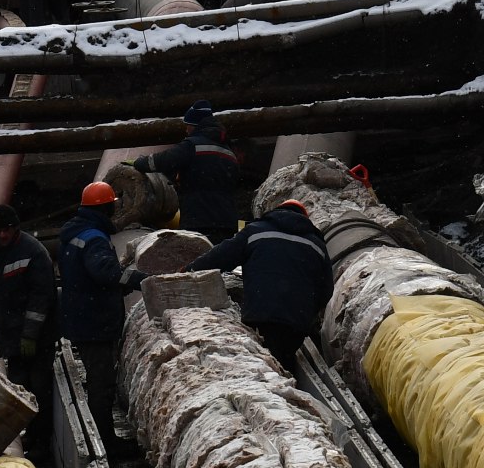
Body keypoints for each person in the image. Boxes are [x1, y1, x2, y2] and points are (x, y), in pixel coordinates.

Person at [189, 197, 334, 373]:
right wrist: (307, 312)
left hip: (260, 316)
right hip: (295, 325)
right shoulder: (317, 244)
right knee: (282, 364)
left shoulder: (256, 231)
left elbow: (219, 258)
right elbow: (326, 290)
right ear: (305, 218)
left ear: (276, 211)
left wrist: (189, 270)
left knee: (260, 368)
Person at [55, 181, 140, 453]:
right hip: (95, 320)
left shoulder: (74, 233)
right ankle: (104, 442)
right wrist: (140, 279)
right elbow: (104, 273)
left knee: (97, 377)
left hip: (82, 316)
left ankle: (101, 437)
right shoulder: (94, 238)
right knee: (101, 382)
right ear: (107, 208)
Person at [130, 103, 244, 242]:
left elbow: (163, 161)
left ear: (195, 125)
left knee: (197, 259)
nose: (186, 130)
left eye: (188, 125)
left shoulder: (192, 146)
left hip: (199, 219)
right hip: (227, 221)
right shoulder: (228, 152)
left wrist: (138, 162)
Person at [0, 203, 55, 387]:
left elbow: (41, 298)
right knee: (18, 385)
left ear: (15, 228)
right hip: (9, 334)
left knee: (39, 385)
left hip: (39, 338)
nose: (3, 235)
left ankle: (42, 416)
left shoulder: (35, 253)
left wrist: (30, 335)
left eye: (7, 230)